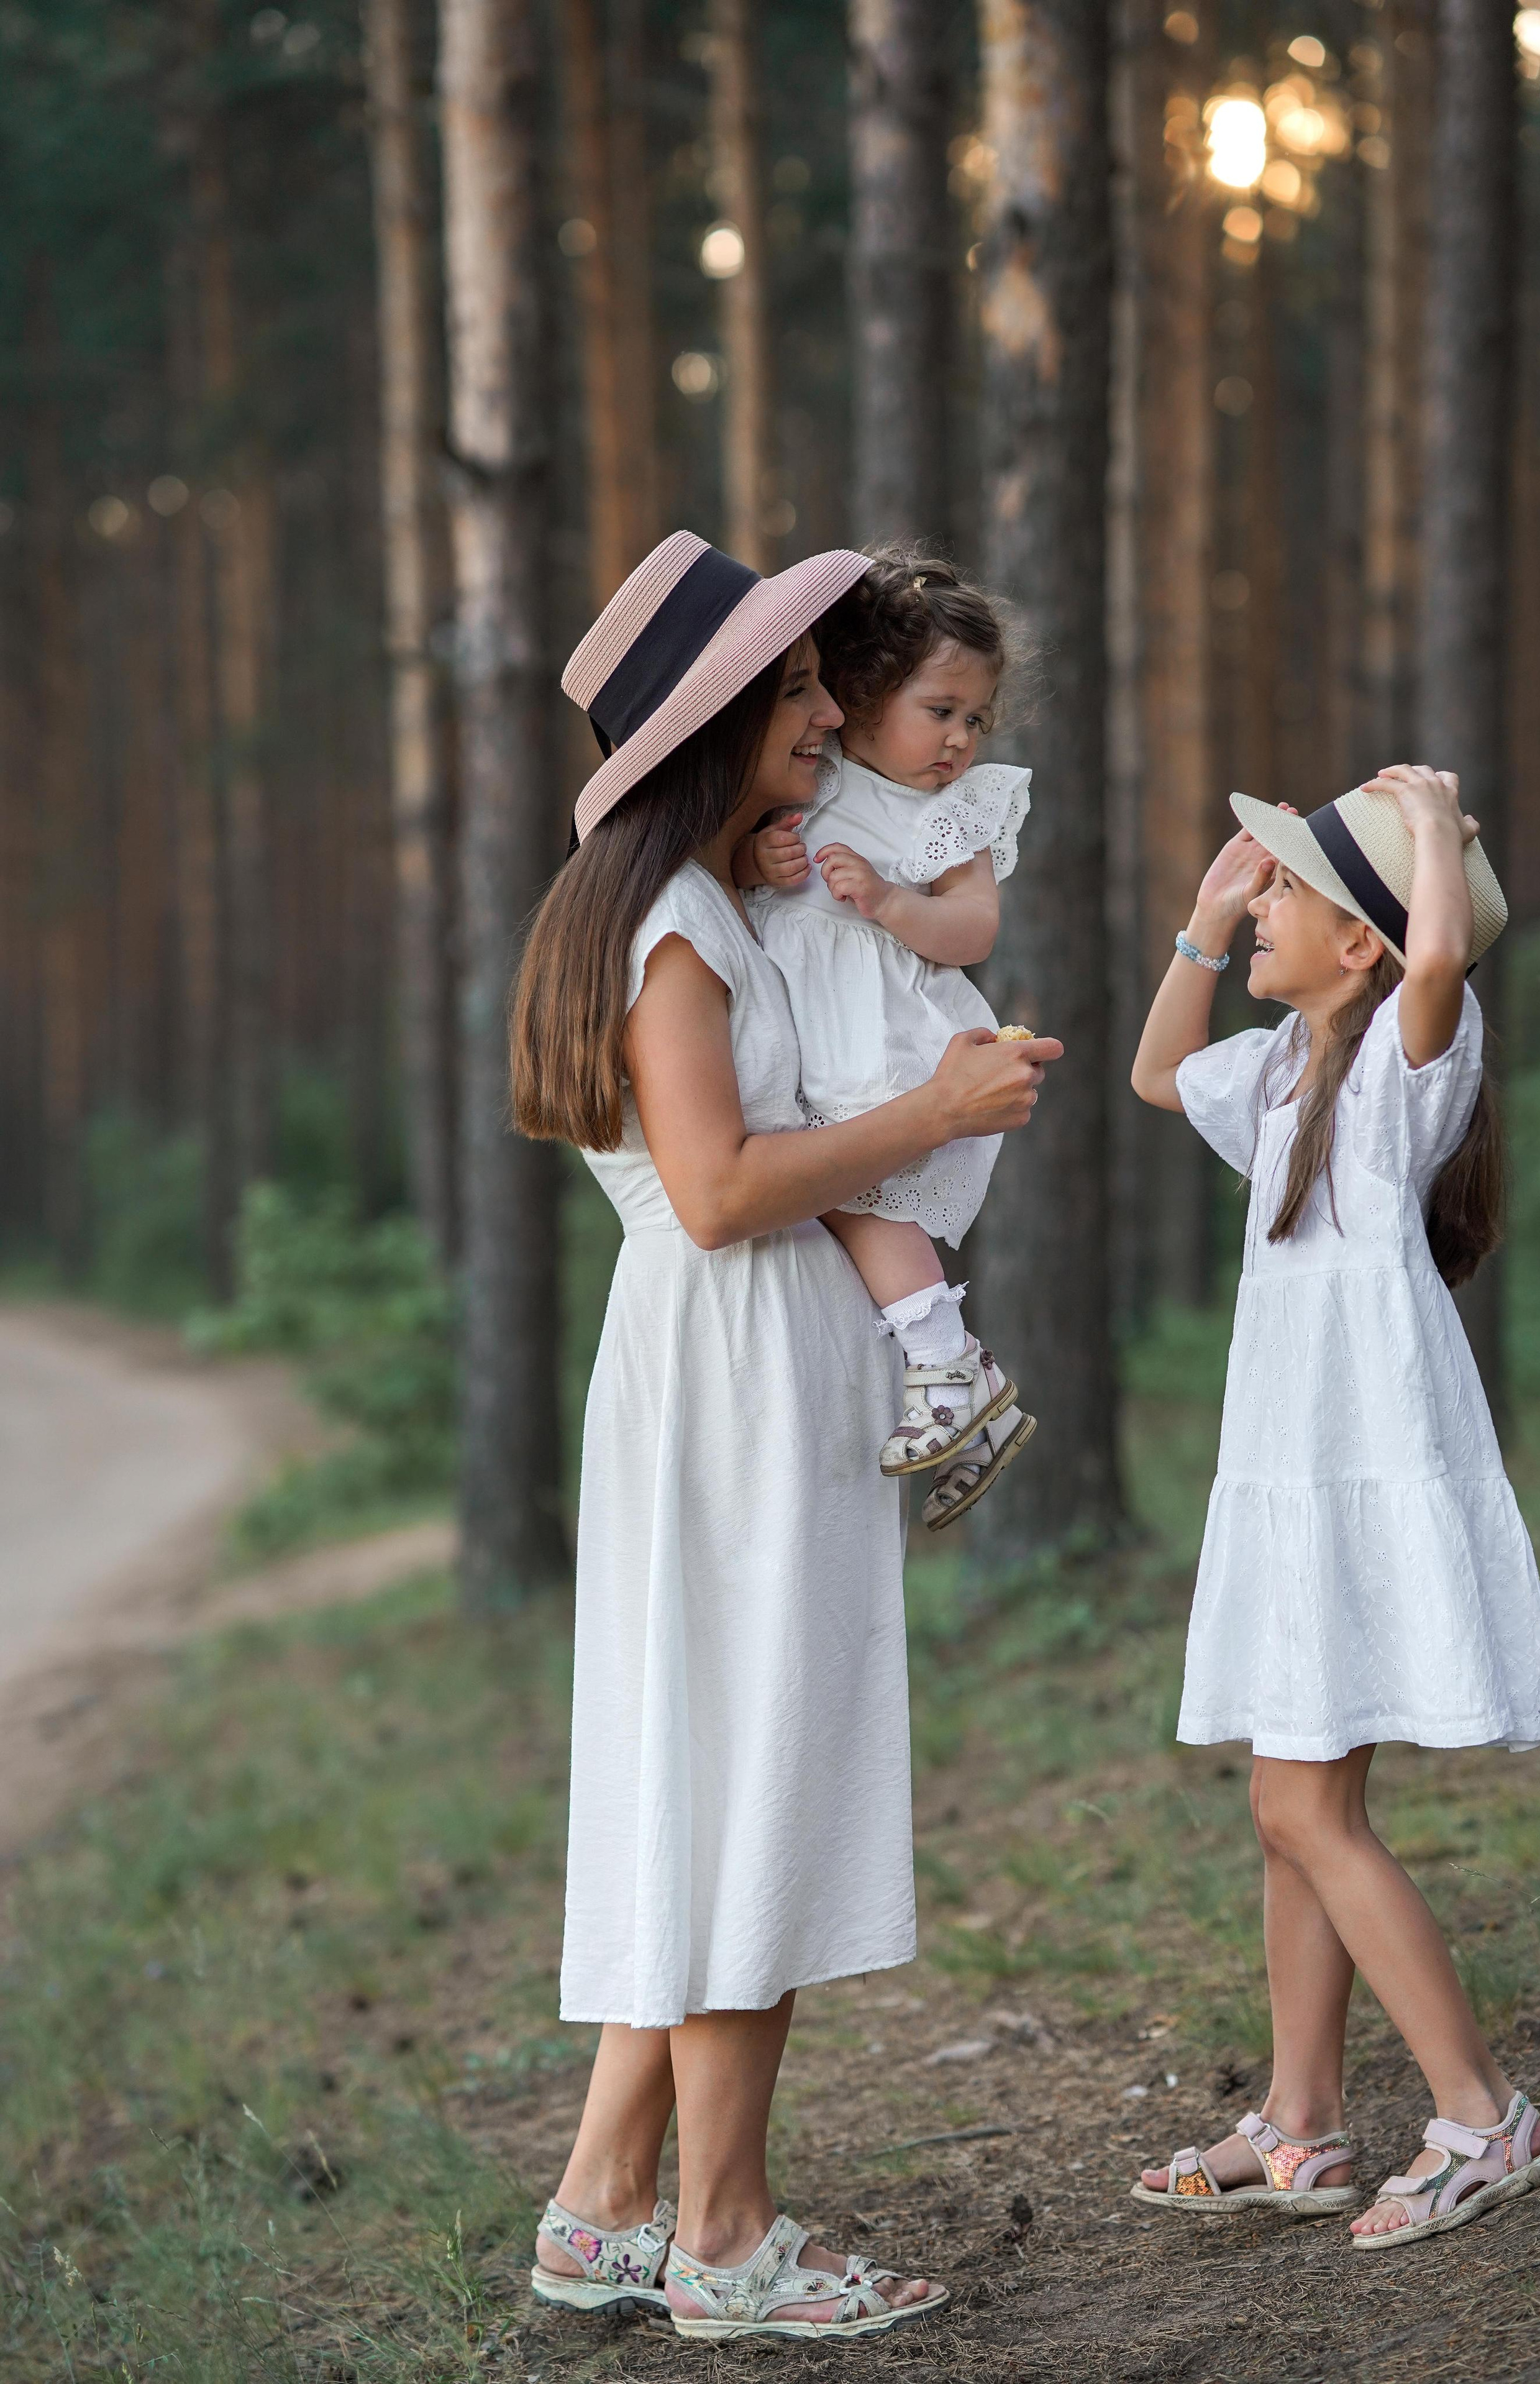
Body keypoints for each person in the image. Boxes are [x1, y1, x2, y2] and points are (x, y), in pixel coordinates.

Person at [508, 532, 1060, 2341]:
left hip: (727, 1370)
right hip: (731, 1370)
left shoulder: (700, 901)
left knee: (705, 1766)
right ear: (719, 718)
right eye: (803, 687)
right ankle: (729, 2236)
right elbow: (720, 1188)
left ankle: (606, 2200)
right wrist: (935, 1107)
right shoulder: (670, 929)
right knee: (752, 1776)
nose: (830, 709)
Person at [1128, 766, 1540, 2247]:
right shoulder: (1280, 1069)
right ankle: (1299, 2122)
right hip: (1293, 1478)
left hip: (1361, 1470)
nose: (1261, 896)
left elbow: (1437, 954)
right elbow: (1154, 1073)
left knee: (1302, 1806)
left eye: (1287, 888)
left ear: (1360, 945)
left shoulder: (1397, 1066)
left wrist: (1436, 827)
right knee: (1286, 1811)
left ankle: (1483, 2113)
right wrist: (1202, 925)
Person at [734, 552, 1035, 1530]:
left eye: (975, 719)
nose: (960, 739)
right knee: (831, 1205)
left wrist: (894, 903)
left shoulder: (949, 812)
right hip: (810, 1036)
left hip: (885, 1039)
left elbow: (976, 927)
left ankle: (947, 1361)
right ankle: (971, 1400)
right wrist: (763, 858)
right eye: (940, 710)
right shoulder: (808, 776)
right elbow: (759, 882)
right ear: (861, 696)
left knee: (860, 1197)